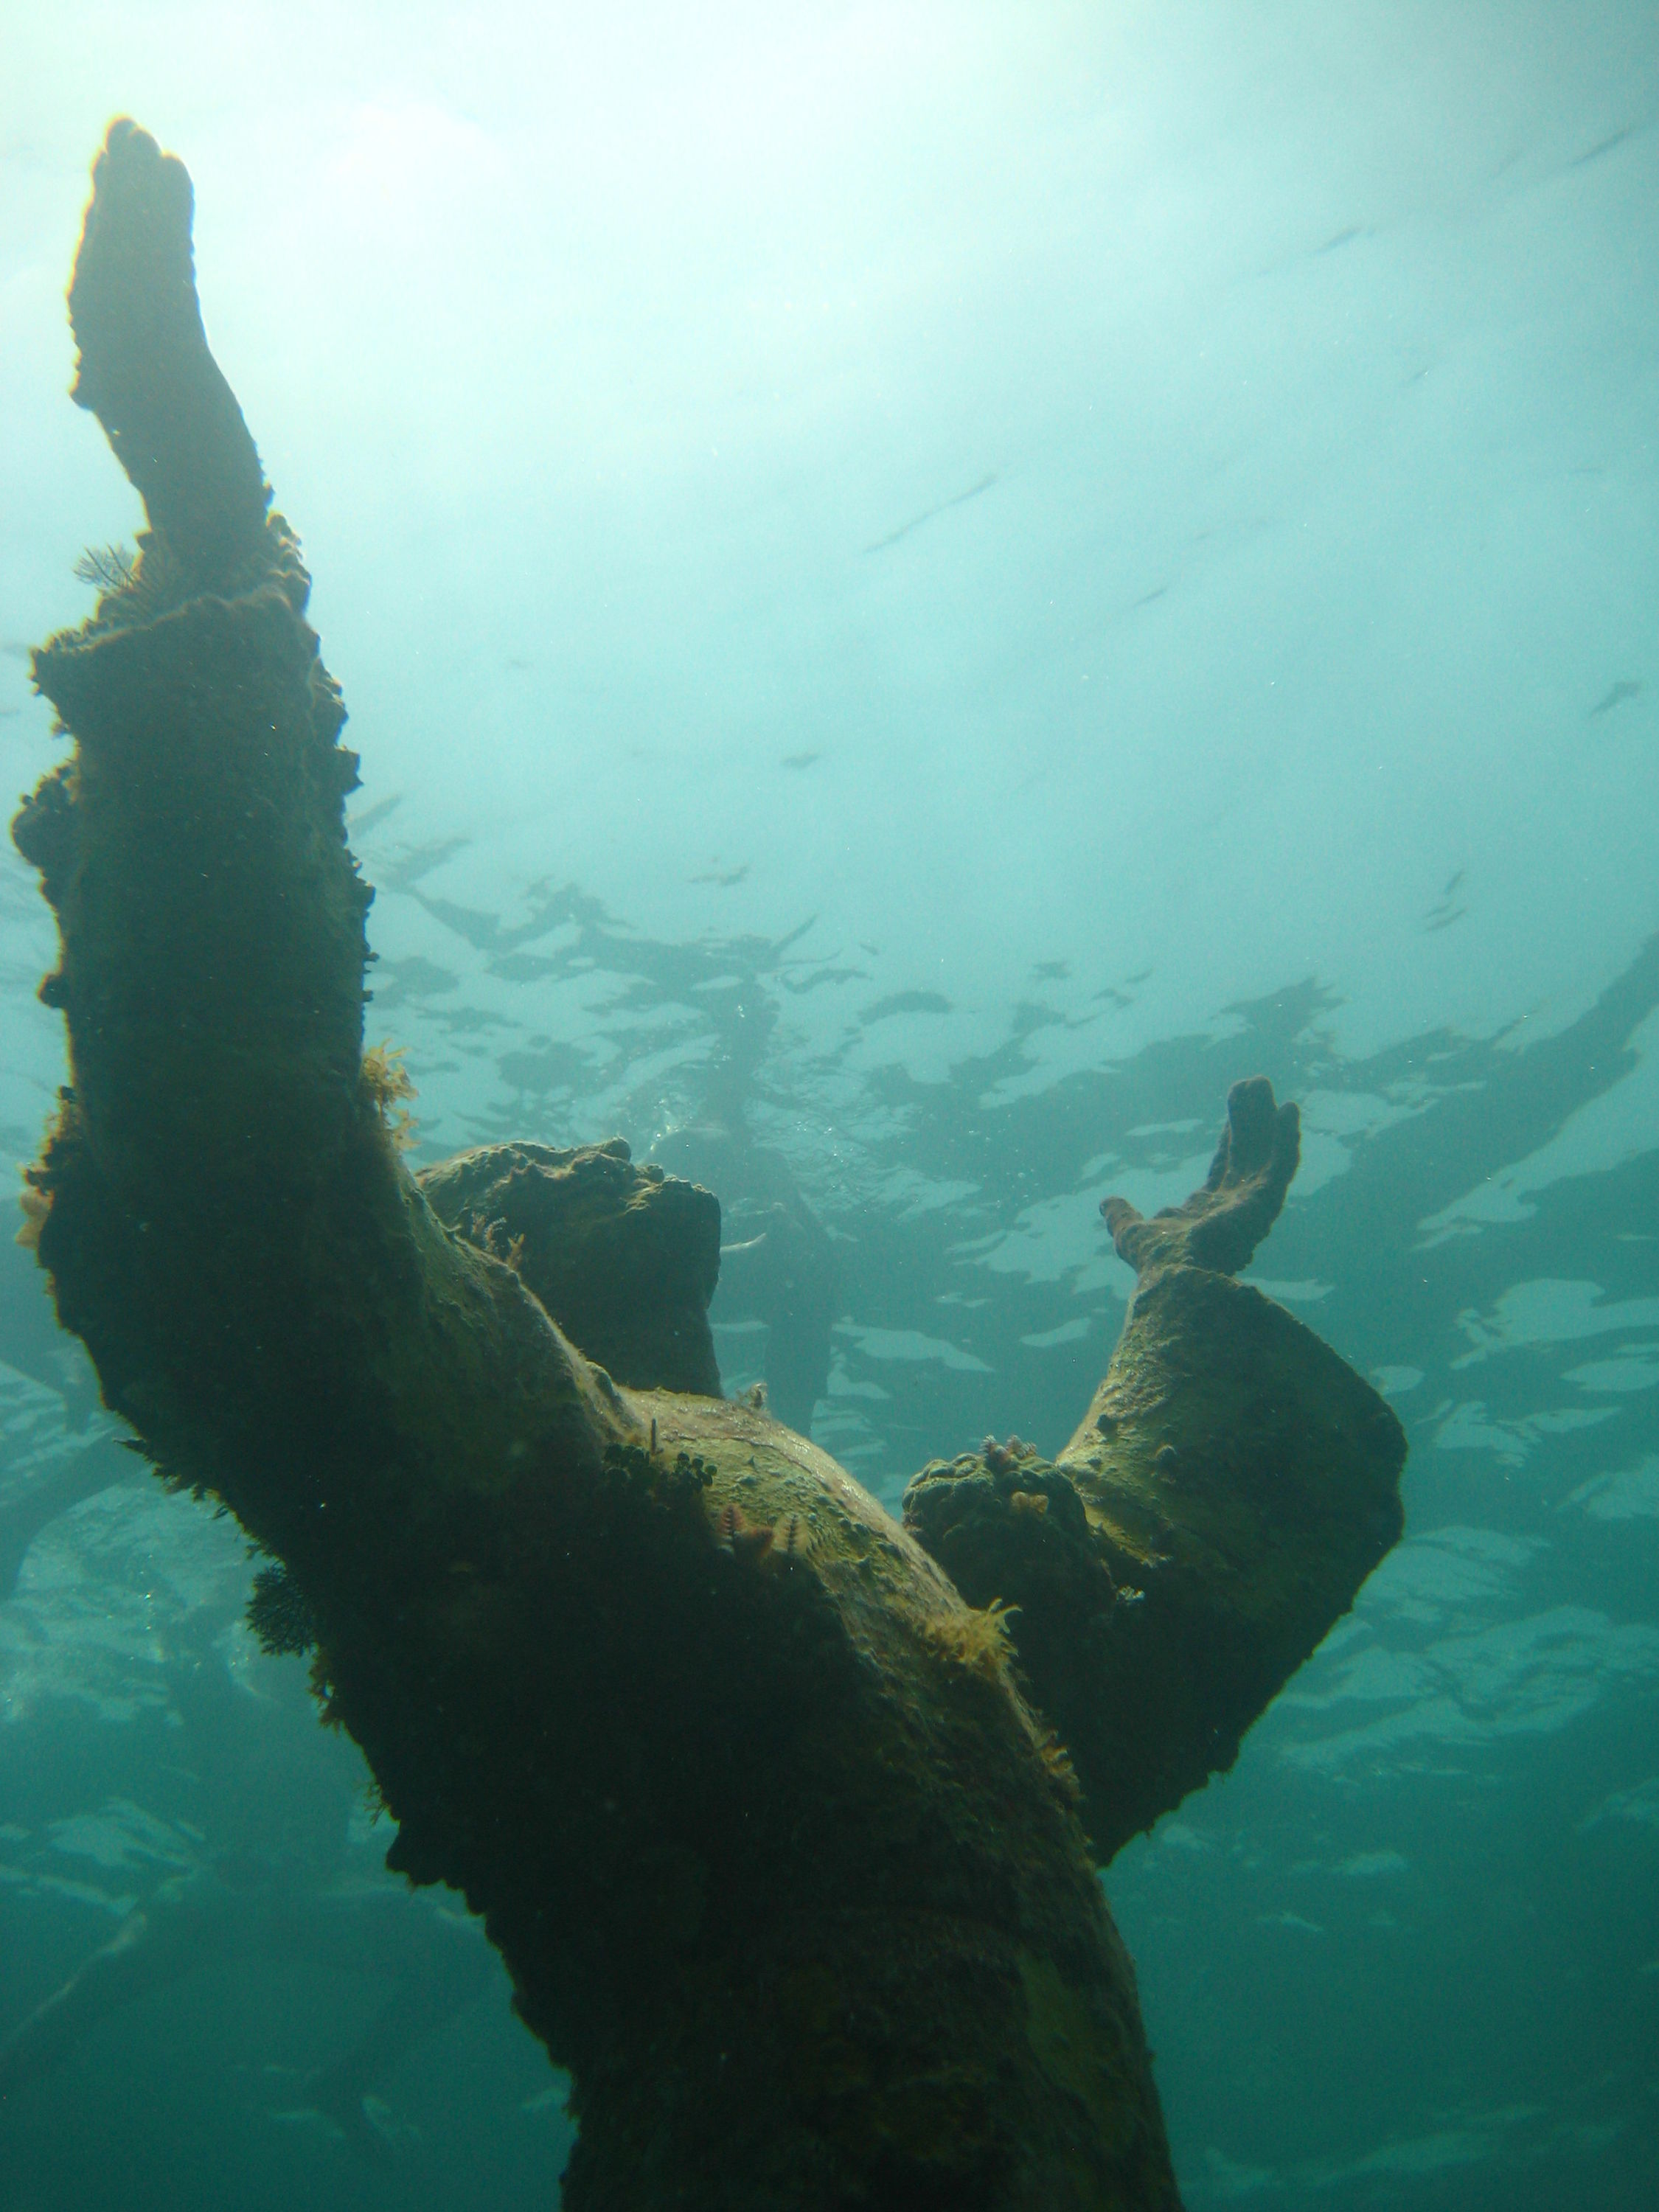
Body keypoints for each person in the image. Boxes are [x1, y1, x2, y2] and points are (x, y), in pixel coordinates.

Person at [10, 119, 1406, 2209]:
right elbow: (257, 1198)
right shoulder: (543, 1518)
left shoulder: (735, 1541)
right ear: (483, 1288)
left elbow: (1112, 1620)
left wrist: (1180, 1300)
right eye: (543, 1167)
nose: (619, 1152)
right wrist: (212, 580)